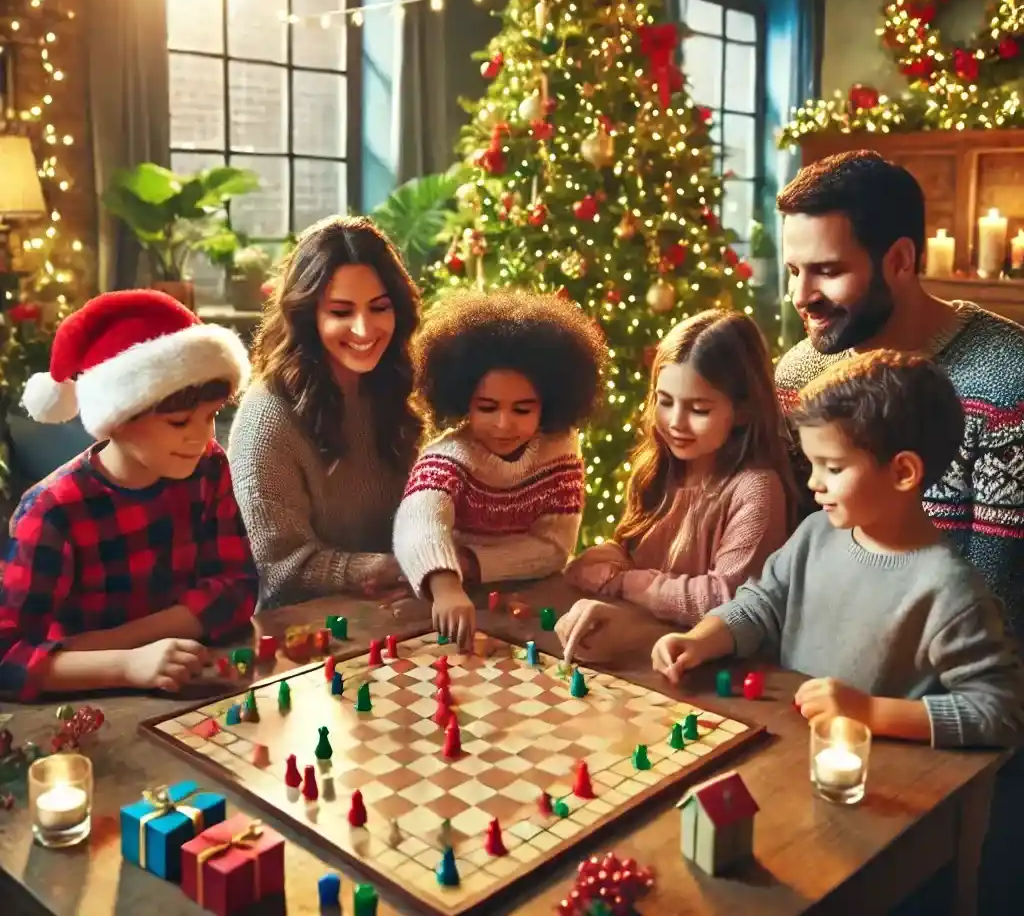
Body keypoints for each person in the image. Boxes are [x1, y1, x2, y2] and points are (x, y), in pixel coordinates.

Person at [652, 350, 1024, 749]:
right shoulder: (816, 534)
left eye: (833, 467)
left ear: (903, 472)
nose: (814, 482)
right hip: (791, 747)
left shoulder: (948, 590)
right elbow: (761, 604)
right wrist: (700, 640)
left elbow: (1001, 712)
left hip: (872, 774)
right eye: (813, 464)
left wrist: (870, 712)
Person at [773, 150, 1024, 644]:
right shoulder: (799, 374)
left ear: (900, 261)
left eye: (827, 270)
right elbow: (788, 553)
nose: (801, 296)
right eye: (794, 270)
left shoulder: (1008, 380)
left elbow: (994, 601)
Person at [0, 290, 257, 702]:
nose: (202, 437)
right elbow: (7, 658)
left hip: (187, 686)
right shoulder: (52, 512)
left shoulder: (208, 467)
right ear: (116, 419)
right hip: (82, 708)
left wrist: (123, 643)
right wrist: (125, 663)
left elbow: (236, 589)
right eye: (179, 422)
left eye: (211, 416)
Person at [555, 310, 797, 664]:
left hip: (710, 667)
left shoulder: (756, 489)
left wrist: (626, 582)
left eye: (699, 409)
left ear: (743, 410)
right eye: (665, 401)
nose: (676, 422)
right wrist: (608, 561)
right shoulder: (658, 468)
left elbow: (724, 600)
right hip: (643, 649)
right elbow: (622, 554)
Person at [393, 289, 607, 647]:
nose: (504, 424)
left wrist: (471, 562)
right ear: (464, 401)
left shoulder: (561, 447)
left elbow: (554, 548)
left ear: (549, 404)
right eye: (487, 407)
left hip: (531, 599)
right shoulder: (448, 456)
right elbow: (418, 523)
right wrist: (446, 584)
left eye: (522, 409)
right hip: (450, 599)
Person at [228, 216, 423, 609]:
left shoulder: (396, 387)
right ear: (308, 316)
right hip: (306, 628)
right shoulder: (268, 416)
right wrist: (378, 569)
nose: (364, 329)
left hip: (403, 613)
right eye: (341, 312)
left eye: (379, 307)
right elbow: (277, 569)